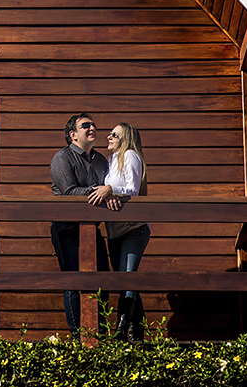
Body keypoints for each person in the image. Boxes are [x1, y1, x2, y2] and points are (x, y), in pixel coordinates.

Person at [49, 112, 111, 338]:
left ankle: (101, 335)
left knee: (102, 279)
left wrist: (110, 191)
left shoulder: (102, 160)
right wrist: (101, 191)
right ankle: (78, 336)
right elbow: (68, 192)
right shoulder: (62, 158)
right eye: (86, 125)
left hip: (92, 228)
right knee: (73, 280)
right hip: (66, 228)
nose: (92, 127)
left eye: (94, 124)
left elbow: (111, 188)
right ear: (73, 135)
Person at [88, 122, 150, 340]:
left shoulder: (130, 155)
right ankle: (136, 334)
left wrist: (110, 189)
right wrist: (109, 191)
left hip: (133, 228)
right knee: (125, 279)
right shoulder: (111, 161)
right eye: (110, 134)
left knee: (127, 278)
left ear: (126, 140)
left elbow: (132, 189)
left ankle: (122, 331)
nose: (109, 137)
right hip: (114, 229)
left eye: (115, 135)